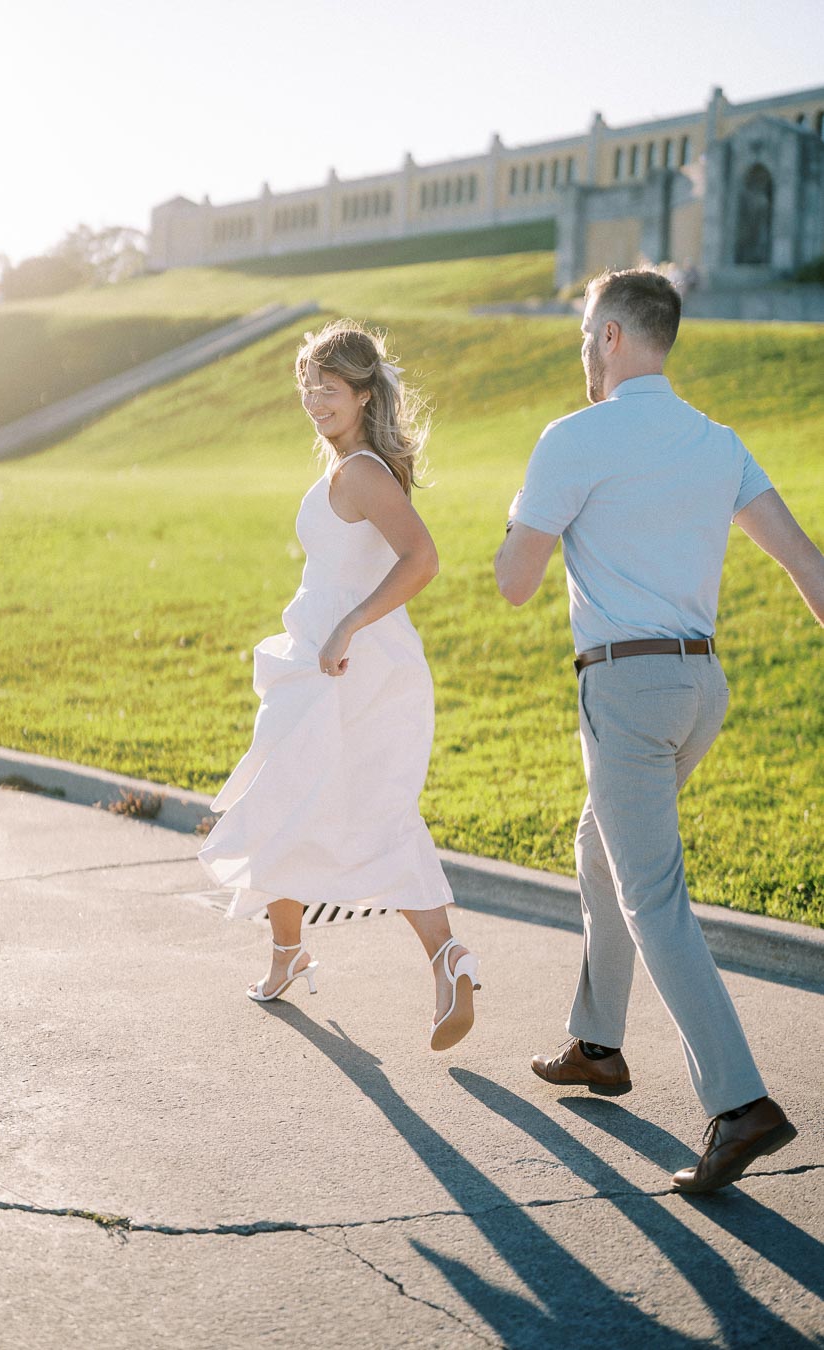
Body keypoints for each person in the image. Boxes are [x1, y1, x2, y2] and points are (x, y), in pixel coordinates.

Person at [495, 267, 824, 1194]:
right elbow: (806, 563)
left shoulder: (573, 438)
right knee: (599, 843)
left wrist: (520, 523)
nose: (583, 359)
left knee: (652, 894)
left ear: (608, 336)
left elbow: (514, 582)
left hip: (627, 691)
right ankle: (598, 1044)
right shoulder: (717, 442)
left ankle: (739, 1102)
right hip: (699, 688)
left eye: (583, 341)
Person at [200, 319, 481, 1051]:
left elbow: (423, 559)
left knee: (310, 801)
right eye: (306, 386)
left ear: (362, 394)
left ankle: (415, 956)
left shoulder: (360, 471)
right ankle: (408, 956)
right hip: (334, 662)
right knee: (308, 803)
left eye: (328, 388)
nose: (313, 399)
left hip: (349, 666)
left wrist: (349, 625)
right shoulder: (352, 468)